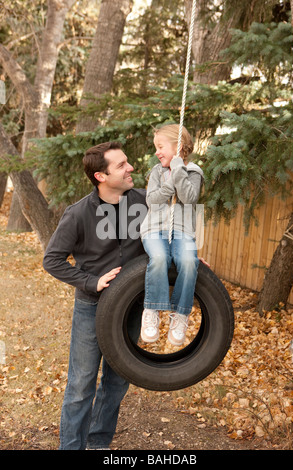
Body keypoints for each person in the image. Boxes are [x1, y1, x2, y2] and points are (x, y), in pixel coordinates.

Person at [43, 141, 146, 450]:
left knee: (117, 382)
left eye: (127, 162)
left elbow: (168, 237)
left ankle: (98, 444)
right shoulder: (77, 214)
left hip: (131, 307)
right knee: (81, 384)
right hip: (93, 308)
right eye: (121, 165)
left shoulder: (143, 201)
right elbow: (52, 260)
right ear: (101, 177)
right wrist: (91, 281)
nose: (130, 169)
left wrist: (190, 259)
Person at [140, 124, 204, 346]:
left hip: (182, 230)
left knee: (188, 260)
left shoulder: (194, 171)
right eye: (155, 147)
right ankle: (152, 311)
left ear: (178, 147)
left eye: (160, 146)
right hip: (154, 229)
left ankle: (180, 315)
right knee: (159, 258)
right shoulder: (157, 172)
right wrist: (170, 183)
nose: (157, 152)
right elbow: (152, 199)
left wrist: (178, 171)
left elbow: (189, 198)